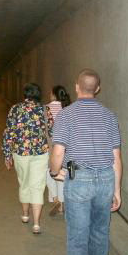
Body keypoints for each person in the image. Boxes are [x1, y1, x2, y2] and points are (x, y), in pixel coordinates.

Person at [50, 69, 122, 255]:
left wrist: (55, 172)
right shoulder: (109, 116)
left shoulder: (66, 114)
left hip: (79, 178)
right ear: (97, 89)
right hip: (106, 179)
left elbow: (58, 152)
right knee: (100, 233)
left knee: (78, 238)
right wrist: (116, 190)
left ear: (76, 87)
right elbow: (116, 157)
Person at [2, 83, 54, 234]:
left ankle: (25, 215)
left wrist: (7, 154)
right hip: (41, 154)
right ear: (38, 94)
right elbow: (51, 131)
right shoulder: (45, 109)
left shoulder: (15, 109)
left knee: (24, 183)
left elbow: (9, 132)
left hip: (21, 153)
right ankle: (36, 224)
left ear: (25, 94)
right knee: (38, 187)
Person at [45, 85, 71, 216]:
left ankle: (55, 198)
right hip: (66, 145)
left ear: (53, 95)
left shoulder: (46, 108)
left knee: (49, 172)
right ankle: (61, 202)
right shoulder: (68, 109)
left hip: (51, 146)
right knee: (62, 172)